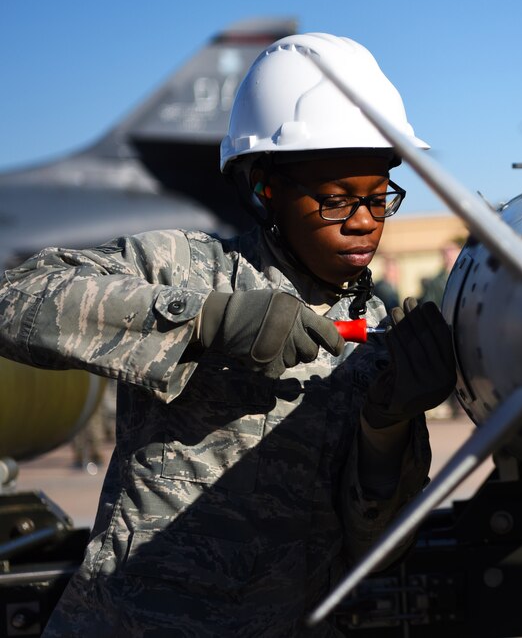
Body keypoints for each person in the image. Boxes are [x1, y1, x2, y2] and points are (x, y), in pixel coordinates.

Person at [0, 33, 456, 637]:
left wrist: (388, 429)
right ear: (265, 189)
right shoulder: (184, 269)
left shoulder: (375, 349)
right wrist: (205, 321)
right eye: (336, 200)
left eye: (379, 199)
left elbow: (377, 548)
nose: (364, 223)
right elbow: (14, 300)